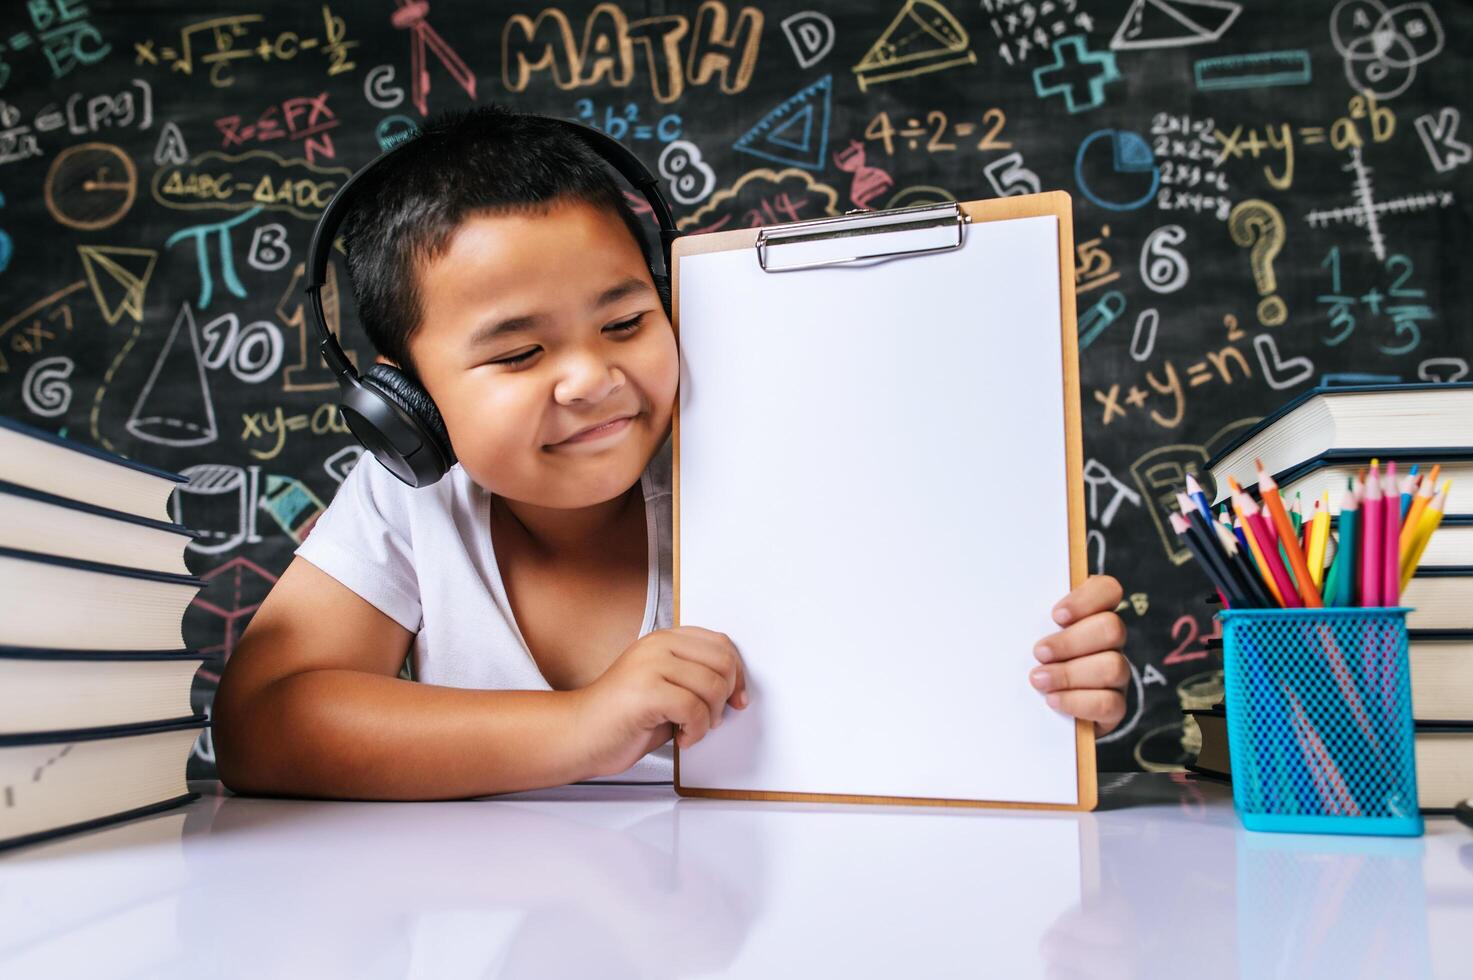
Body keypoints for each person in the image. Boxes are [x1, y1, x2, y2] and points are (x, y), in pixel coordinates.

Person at [212, 104, 1130, 800]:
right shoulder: (407, 496)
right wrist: (579, 727)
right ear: (402, 399)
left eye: (625, 321)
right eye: (518, 352)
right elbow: (260, 725)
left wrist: (1051, 686)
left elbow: (936, 665)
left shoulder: (779, 463)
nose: (591, 379)